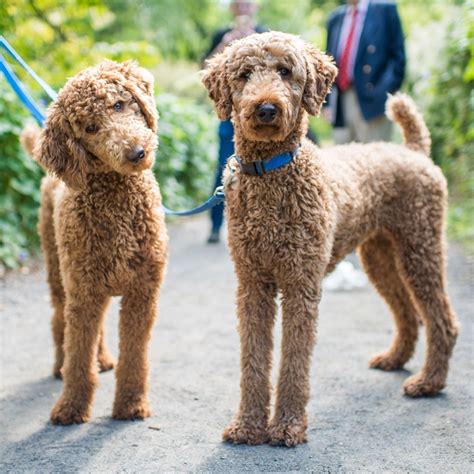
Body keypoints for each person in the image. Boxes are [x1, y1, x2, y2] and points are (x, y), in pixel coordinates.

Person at [205, 0, 266, 244]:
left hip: (259, 115)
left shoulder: (264, 33)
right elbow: (205, 68)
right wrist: (223, 45)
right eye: (238, 4)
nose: (243, 8)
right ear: (232, 8)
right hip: (231, 117)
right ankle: (215, 225)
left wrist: (254, 41)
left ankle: (257, 224)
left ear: (254, 7)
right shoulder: (222, 34)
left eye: (247, 4)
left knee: (261, 170)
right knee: (224, 166)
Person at [324, 0, 406, 144]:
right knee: (343, 160)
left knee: (375, 160)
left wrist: (384, 93)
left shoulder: (384, 10)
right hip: (340, 101)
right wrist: (327, 102)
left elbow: (398, 57)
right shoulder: (335, 18)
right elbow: (328, 62)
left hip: (374, 101)